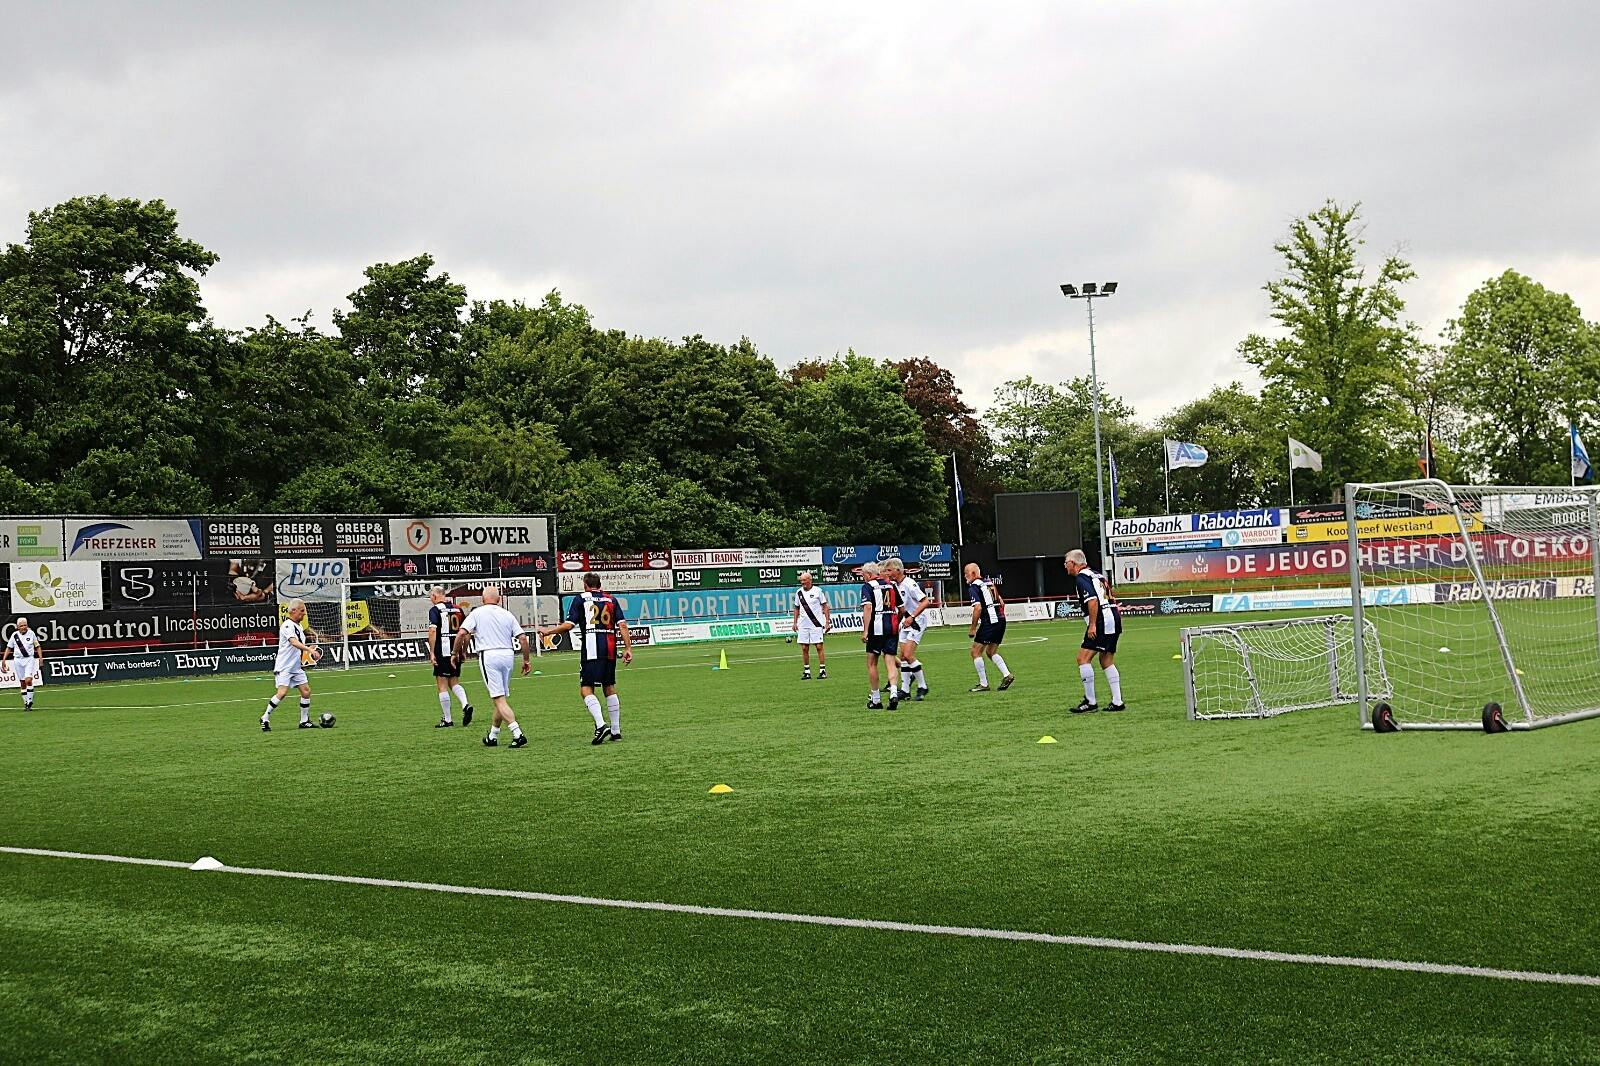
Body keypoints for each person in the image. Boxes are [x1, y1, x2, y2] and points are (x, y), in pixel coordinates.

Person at [540, 572, 632, 744]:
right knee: (609, 687)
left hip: (591, 650)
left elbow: (569, 625)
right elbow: (623, 625)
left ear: (585, 585)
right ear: (599, 584)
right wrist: (628, 648)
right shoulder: (611, 600)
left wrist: (549, 631)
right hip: (610, 649)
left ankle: (600, 725)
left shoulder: (581, 599)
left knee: (586, 689)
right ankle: (616, 730)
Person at [452, 585, 533, 748]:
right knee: (500, 698)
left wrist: (455, 653)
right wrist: (526, 660)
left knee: (499, 699)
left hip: (489, 655)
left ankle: (517, 733)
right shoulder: (507, 614)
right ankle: (492, 735)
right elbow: (523, 638)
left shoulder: (477, 613)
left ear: (483, 599)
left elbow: (461, 633)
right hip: (508, 655)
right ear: (499, 599)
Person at [1065, 549, 1125, 713]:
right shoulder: (1097, 575)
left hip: (1102, 621)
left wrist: (1092, 625)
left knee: (1082, 658)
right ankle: (1117, 701)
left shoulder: (1082, 577)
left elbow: (1092, 601)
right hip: (1113, 618)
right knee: (1106, 660)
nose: (1065, 566)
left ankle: (1090, 702)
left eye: (1066, 563)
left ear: (1074, 563)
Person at [261, 599, 319, 731]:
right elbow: (293, 642)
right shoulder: (287, 625)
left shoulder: (298, 626)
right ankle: (264, 717)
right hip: (285, 667)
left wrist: (308, 648)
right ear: (293, 611)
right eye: (302, 610)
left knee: (306, 691)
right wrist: (309, 650)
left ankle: (304, 721)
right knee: (281, 693)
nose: (304, 614)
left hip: (295, 667)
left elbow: (297, 645)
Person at [426, 586, 474, 728]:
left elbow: (433, 630)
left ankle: (448, 719)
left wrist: (432, 652)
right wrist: (464, 651)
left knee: (442, 684)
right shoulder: (458, 609)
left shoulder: (435, 610)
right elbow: (466, 633)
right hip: (456, 651)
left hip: (443, 651)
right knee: (454, 682)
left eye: (430, 597)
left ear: (435, 596)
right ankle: (465, 705)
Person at [884, 558, 931, 701]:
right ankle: (905, 690)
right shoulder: (894, 585)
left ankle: (922, 686)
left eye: (889, 570)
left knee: (908, 654)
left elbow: (925, 601)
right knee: (903, 657)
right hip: (906, 621)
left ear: (898, 570)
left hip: (917, 621)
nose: (888, 573)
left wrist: (912, 617)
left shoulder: (910, 584)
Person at [965, 562, 1014, 692]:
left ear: (974, 574)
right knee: (991, 652)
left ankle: (984, 684)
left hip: (990, 622)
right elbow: (1002, 602)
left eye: (966, 573)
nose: (965, 576)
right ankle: (1007, 674)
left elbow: (978, 608)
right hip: (1001, 620)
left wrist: (973, 628)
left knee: (975, 651)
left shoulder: (974, 586)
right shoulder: (989, 583)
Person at [860, 562, 902, 710]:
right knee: (890, 661)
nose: (863, 578)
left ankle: (876, 699)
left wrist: (865, 631)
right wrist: (897, 621)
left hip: (876, 628)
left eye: (864, 575)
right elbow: (901, 608)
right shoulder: (891, 585)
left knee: (872, 663)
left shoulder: (868, 586)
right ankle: (894, 693)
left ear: (870, 574)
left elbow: (868, 607)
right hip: (892, 627)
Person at [790, 570, 831, 680]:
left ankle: (822, 671)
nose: (802, 582)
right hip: (803, 624)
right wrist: (795, 622)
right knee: (804, 648)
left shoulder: (818, 591)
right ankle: (806, 671)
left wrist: (827, 621)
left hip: (816, 623)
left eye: (804, 580)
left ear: (809, 580)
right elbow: (796, 608)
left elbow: (825, 606)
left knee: (819, 646)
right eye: (801, 580)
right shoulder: (798, 592)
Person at [3, 617, 42, 712]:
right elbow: (9, 648)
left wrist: (41, 658)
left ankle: (30, 701)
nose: (23, 627)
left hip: (29, 659)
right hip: (17, 660)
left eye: (25, 625)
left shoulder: (31, 634)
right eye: (21, 626)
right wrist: (4, 660)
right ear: (18, 627)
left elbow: (37, 646)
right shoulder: (14, 635)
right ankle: (26, 704)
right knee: (22, 682)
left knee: (28, 680)